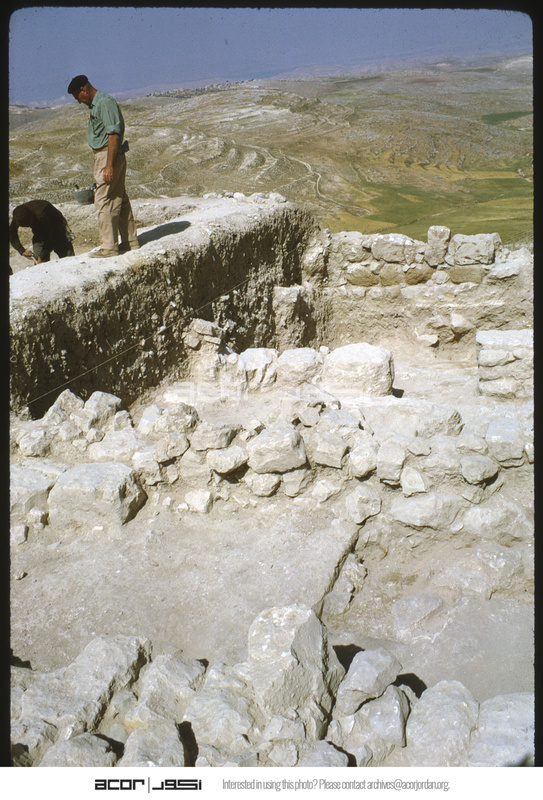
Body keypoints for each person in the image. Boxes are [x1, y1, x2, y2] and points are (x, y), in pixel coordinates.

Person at [67, 75, 139, 258]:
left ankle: (109, 247)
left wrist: (109, 165)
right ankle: (130, 241)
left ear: (84, 90)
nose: (78, 101)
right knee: (119, 197)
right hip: (108, 155)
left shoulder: (104, 103)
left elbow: (113, 134)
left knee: (102, 199)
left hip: (108, 156)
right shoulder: (97, 104)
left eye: (77, 97)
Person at [10, 199, 75, 264]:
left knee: (65, 255)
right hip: (39, 230)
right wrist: (22, 251)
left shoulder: (44, 213)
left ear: (31, 216)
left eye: (29, 224)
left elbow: (49, 238)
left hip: (56, 226)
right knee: (38, 255)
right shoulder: (18, 216)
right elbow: (11, 234)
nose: (28, 226)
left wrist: (42, 256)